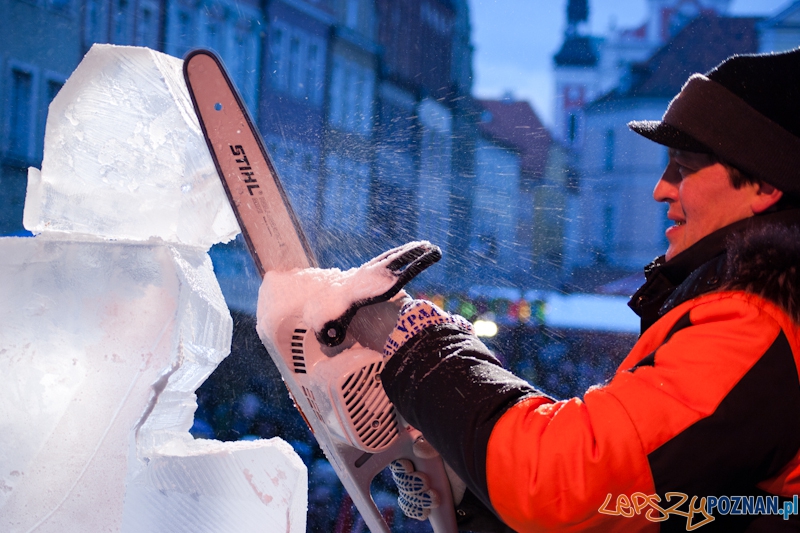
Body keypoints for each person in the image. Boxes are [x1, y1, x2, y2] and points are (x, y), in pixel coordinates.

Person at [257, 49, 800, 532]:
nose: (661, 188)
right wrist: (473, 479)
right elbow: (653, 509)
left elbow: (561, 483)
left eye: (683, 168)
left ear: (765, 184)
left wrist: (421, 343)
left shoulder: (755, 323)